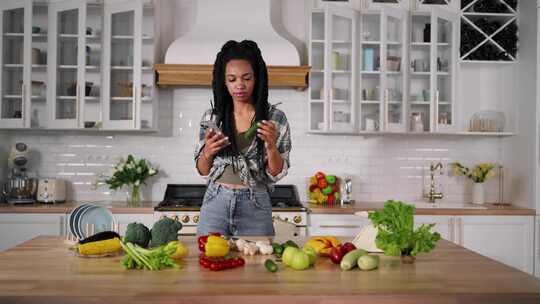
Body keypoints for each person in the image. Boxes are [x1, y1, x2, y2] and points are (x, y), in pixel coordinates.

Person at [193, 40, 291, 237]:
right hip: (215, 201)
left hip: (255, 203)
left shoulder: (275, 118)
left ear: (257, 79)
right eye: (232, 79)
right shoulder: (212, 117)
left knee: (257, 265)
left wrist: (271, 146)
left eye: (246, 78)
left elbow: (277, 173)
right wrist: (208, 152)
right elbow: (203, 169)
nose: (239, 85)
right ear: (223, 81)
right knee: (208, 263)